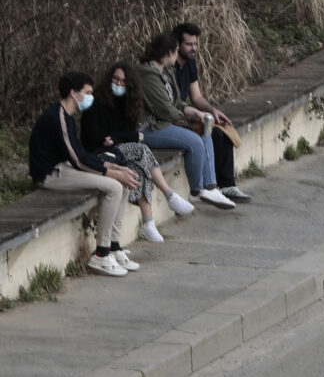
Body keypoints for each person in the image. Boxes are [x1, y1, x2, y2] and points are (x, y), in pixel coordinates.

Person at [30, 72, 141, 276]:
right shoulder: (58, 118)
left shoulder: (68, 117)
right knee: (114, 186)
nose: (91, 96)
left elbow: (80, 153)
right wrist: (111, 174)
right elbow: (78, 160)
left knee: (123, 182)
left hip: (65, 168)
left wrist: (114, 168)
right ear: (74, 93)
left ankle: (114, 246)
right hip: (50, 174)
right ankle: (101, 254)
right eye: (87, 92)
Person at [84, 61, 192, 244]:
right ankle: (168, 195)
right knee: (141, 149)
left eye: (122, 81)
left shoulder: (130, 103)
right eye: (115, 79)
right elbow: (94, 133)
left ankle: (145, 224)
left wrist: (120, 137)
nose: (118, 84)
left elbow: (128, 133)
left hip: (119, 149)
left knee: (138, 167)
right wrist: (122, 137)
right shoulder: (97, 101)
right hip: (98, 151)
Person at [138, 33, 231, 209]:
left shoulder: (165, 71)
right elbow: (164, 109)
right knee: (194, 141)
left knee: (204, 130)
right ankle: (196, 191)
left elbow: (177, 102)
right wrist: (186, 118)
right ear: (171, 52)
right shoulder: (148, 74)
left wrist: (195, 112)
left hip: (164, 123)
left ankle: (210, 186)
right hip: (148, 128)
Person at [170, 22, 247, 202]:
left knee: (221, 127)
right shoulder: (169, 66)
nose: (194, 48)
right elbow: (172, 105)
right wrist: (196, 115)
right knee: (214, 134)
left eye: (196, 44)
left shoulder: (190, 64)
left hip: (187, 112)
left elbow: (196, 97)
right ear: (178, 45)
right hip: (175, 117)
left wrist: (213, 110)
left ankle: (228, 185)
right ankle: (210, 186)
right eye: (189, 44)